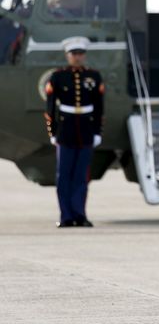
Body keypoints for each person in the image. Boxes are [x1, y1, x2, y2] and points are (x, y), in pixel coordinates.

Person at [44, 36, 104, 228]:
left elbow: (99, 107)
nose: (77, 57)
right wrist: (52, 132)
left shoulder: (94, 76)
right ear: (67, 55)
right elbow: (50, 107)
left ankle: (80, 214)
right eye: (74, 54)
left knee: (81, 175)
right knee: (64, 176)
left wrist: (97, 132)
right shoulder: (58, 76)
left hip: (86, 129)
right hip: (66, 129)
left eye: (80, 54)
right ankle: (66, 216)